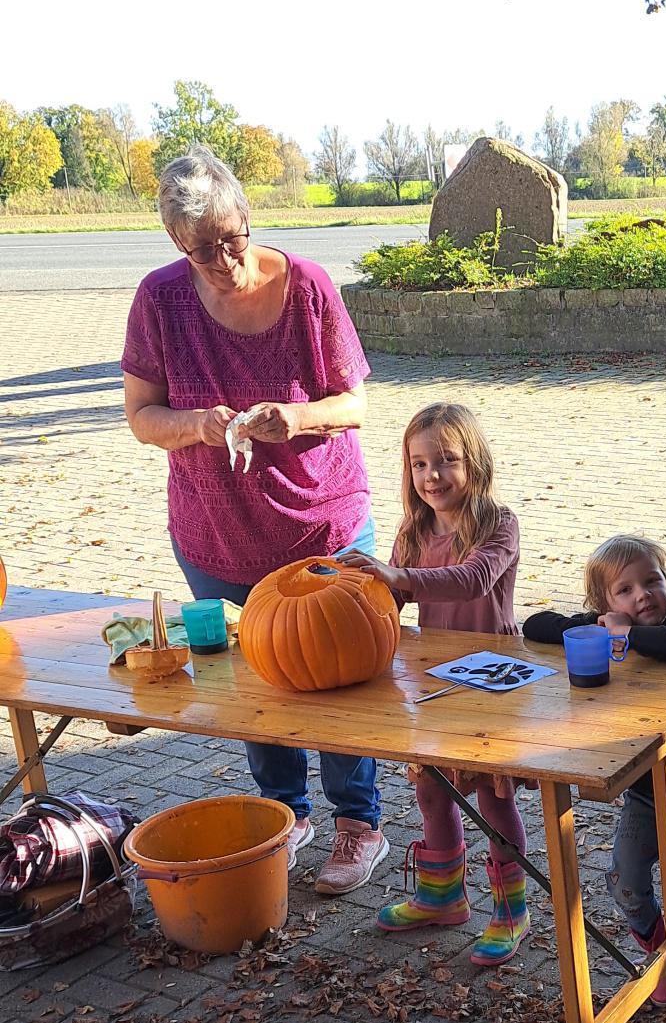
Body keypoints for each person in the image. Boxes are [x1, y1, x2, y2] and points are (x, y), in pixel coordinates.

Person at [122, 147, 390, 895]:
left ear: (248, 215)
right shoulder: (160, 300)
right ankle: (286, 814)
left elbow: (356, 403)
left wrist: (295, 416)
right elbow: (141, 418)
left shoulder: (306, 285)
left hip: (321, 526)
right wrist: (197, 426)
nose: (221, 259)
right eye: (199, 249)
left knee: (338, 676)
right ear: (177, 245)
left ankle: (358, 823)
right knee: (254, 681)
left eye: (230, 238)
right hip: (215, 531)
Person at [342, 402, 529, 965]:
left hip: (492, 682)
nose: (433, 476)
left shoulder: (499, 524)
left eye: (447, 461)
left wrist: (399, 575)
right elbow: (392, 599)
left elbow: (471, 581)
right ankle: (443, 894)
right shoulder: (414, 529)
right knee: (431, 788)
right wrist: (346, 590)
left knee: (493, 798)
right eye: (420, 464)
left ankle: (510, 909)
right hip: (433, 685)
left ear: (474, 464)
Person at [524, 534, 666, 1000]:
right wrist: (598, 626)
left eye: (652, 582)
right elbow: (535, 624)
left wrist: (627, 632)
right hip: (641, 791)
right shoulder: (605, 626)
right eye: (625, 590)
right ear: (604, 602)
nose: (642, 595)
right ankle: (661, 954)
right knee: (626, 881)